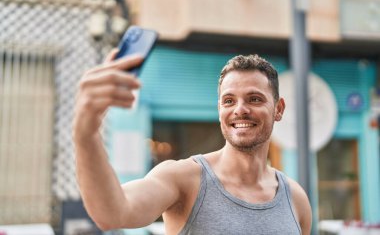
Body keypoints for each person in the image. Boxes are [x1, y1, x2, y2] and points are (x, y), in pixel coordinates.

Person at [73, 50, 312, 235]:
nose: (240, 110)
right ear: (219, 109)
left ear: (278, 109)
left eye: (254, 99)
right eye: (229, 101)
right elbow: (114, 212)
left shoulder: (296, 199)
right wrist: (86, 133)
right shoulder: (184, 179)